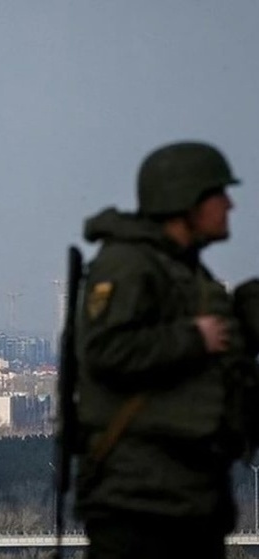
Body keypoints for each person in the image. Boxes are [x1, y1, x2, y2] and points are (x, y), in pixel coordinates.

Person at [74, 141, 259, 559]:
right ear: (185, 201)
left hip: (185, 498)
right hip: (139, 504)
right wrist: (194, 339)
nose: (229, 205)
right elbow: (106, 349)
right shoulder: (129, 263)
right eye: (218, 195)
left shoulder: (182, 270)